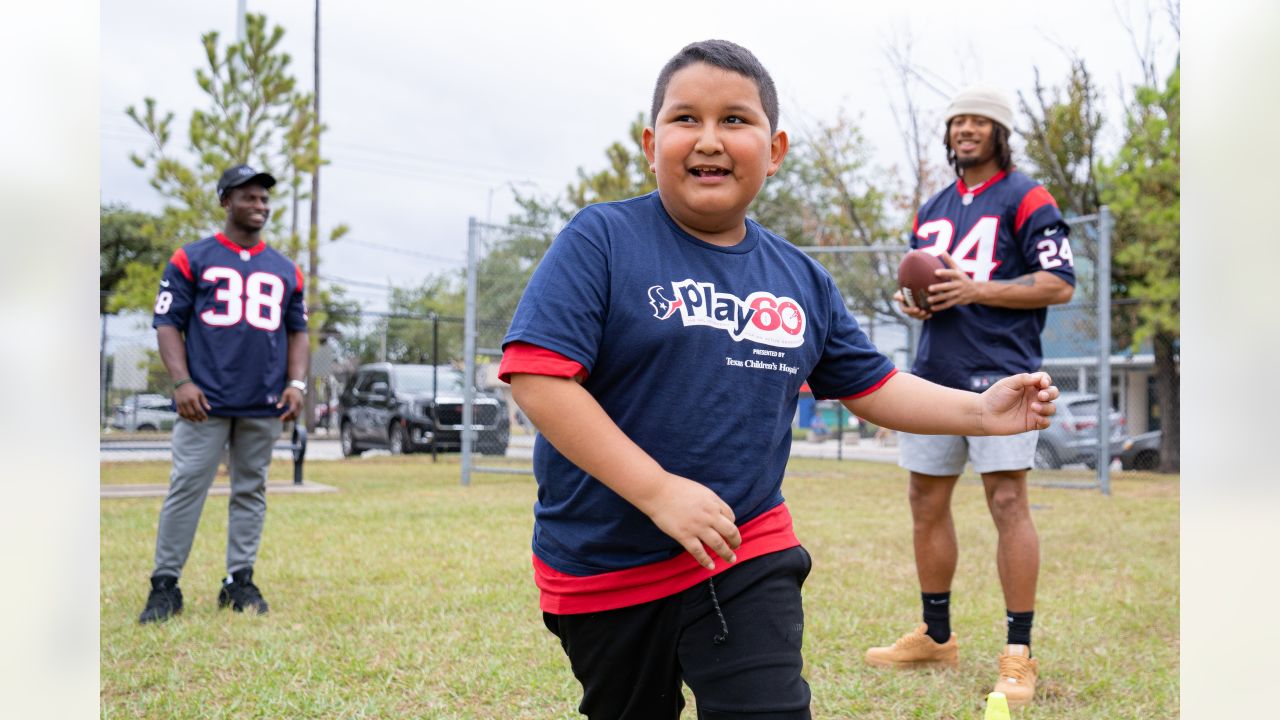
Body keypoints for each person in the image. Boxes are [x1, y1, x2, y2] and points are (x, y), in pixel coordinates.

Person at [498, 41, 1060, 719]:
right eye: (686, 120)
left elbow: (872, 384)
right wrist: (658, 492)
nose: (710, 139)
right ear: (652, 144)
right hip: (604, 563)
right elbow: (538, 376)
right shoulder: (603, 239)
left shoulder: (799, 279)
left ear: (776, 149)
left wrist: (980, 412)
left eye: (736, 119)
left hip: (743, 548)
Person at [863, 85, 1076, 709]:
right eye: (958, 121)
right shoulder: (931, 206)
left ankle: (1018, 654)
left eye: (979, 121)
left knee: (1008, 499)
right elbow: (929, 284)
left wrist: (976, 290)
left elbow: (1059, 284)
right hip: (936, 372)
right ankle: (936, 635)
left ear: (999, 132)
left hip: (1002, 373)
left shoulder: (1028, 196)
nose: (966, 130)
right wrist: (916, 299)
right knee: (923, 500)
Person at [137, 164, 309, 624]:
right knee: (187, 486)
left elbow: (298, 332)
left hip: (263, 402)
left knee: (251, 490)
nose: (260, 206)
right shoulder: (191, 257)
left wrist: (296, 383)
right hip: (205, 402)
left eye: (264, 199)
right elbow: (168, 323)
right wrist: (181, 382)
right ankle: (165, 584)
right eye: (249, 197)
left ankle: (239, 580)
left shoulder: (286, 269)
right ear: (225, 201)